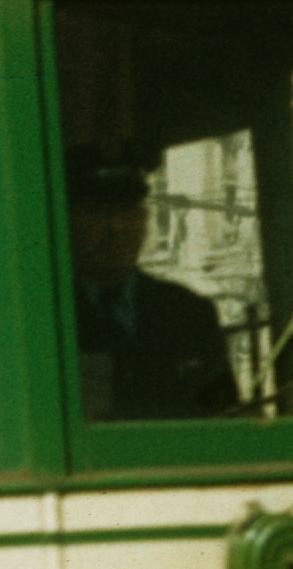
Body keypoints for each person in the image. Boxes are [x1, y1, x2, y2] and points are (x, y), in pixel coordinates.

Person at [68, 150, 241, 419]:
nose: (116, 228)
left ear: (145, 219)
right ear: (70, 222)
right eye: (98, 213)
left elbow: (224, 419)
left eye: (128, 211)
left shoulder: (190, 313)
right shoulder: (49, 317)